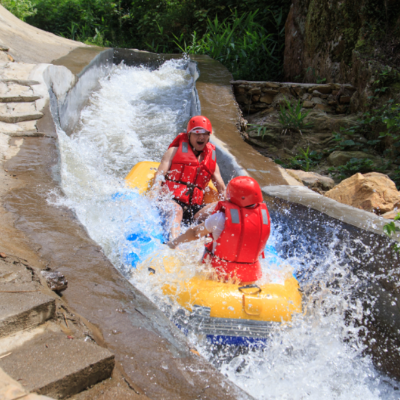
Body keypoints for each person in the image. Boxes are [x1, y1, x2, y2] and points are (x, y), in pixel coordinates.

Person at [167, 176, 271, 284]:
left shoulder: (220, 218)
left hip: (219, 274)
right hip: (251, 276)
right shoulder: (264, 218)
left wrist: (174, 243)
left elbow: (194, 233)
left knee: (194, 252)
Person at [150, 115, 225, 238]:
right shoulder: (173, 152)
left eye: (205, 133)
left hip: (193, 209)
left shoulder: (212, 162)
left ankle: (212, 246)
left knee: (220, 209)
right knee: (177, 210)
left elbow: (221, 188)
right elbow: (159, 176)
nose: (201, 137)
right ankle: (174, 245)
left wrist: (230, 206)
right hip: (170, 201)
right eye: (197, 133)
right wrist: (153, 195)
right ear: (189, 134)